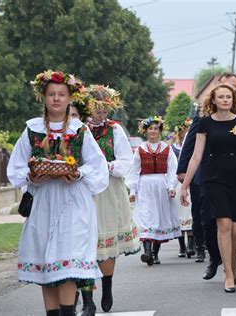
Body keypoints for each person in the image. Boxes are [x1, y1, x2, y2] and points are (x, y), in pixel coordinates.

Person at [7, 70, 109, 316]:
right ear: (43, 97)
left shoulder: (79, 130)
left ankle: (67, 312)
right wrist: (31, 176)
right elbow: (16, 166)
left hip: (73, 201)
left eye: (61, 94)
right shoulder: (32, 129)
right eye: (51, 94)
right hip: (43, 202)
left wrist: (78, 174)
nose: (56, 99)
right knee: (45, 261)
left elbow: (97, 166)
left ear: (69, 98)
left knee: (68, 257)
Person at [180, 84, 236, 293]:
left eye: (228, 97)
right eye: (221, 97)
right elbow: (196, 156)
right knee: (224, 225)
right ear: (213, 101)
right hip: (214, 178)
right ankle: (228, 274)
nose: (225, 100)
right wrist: (185, 186)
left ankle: (233, 266)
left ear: (233, 100)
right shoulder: (205, 124)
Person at [81, 85, 140, 314]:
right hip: (83, 188)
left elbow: (126, 161)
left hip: (108, 188)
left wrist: (104, 166)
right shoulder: (78, 128)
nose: (101, 113)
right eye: (97, 109)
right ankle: (87, 298)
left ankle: (107, 286)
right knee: (83, 242)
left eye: (105, 109)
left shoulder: (114, 130)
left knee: (105, 241)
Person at [176, 73, 236, 279]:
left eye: (235, 87)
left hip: (233, 175)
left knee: (233, 223)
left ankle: (233, 265)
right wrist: (182, 171)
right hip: (205, 174)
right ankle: (214, 257)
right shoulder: (202, 120)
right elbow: (190, 146)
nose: (229, 93)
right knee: (207, 221)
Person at [128, 116, 181, 266]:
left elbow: (172, 168)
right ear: (145, 131)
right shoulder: (140, 149)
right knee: (146, 217)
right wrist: (133, 190)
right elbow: (134, 170)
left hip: (161, 186)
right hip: (145, 186)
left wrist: (171, 186)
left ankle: (154, 254)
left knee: (159, 218)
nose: (153, 131)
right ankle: (147, 252)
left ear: (159, 131)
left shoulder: (166, 148)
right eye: (150, 128)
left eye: (155, 128)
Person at [172, 118, 198, 259]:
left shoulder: (196, 145)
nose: (186, 132)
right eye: (183, 131)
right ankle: (182, 245)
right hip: (180, 182)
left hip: (193, 178)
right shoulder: (174, 148)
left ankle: (192, 244)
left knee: (191, 212)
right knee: (180, 215)